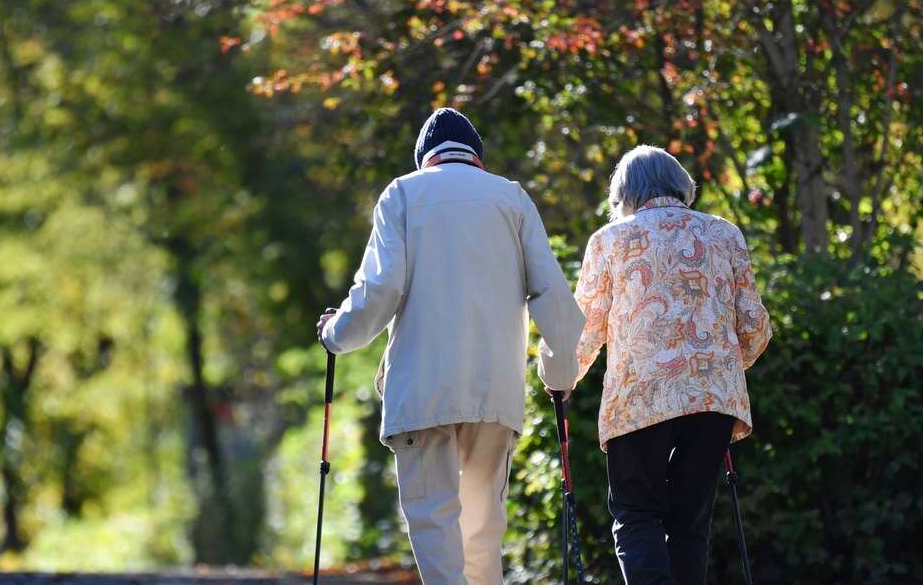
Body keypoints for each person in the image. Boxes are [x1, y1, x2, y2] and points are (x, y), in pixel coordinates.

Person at [316, 108, 585, 585]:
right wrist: (559, 375)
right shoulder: (512, 198)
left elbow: (380, 289)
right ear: (477, 158)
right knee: (483, 535)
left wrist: (336, 334)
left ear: (425, 159)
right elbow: (553, 297)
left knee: (435, 531)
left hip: (423, 392)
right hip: (495, 393)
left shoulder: (402, 193)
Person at [548, 145, 772, 585]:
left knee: (637, 514)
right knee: (691, 523)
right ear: (681, 186)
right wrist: (720, 368)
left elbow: (584, 329)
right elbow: (755, 325)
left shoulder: (610, 241)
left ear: (624, 194)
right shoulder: (724, 234)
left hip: (639, 399)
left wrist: (562, 381)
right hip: (713, 400)